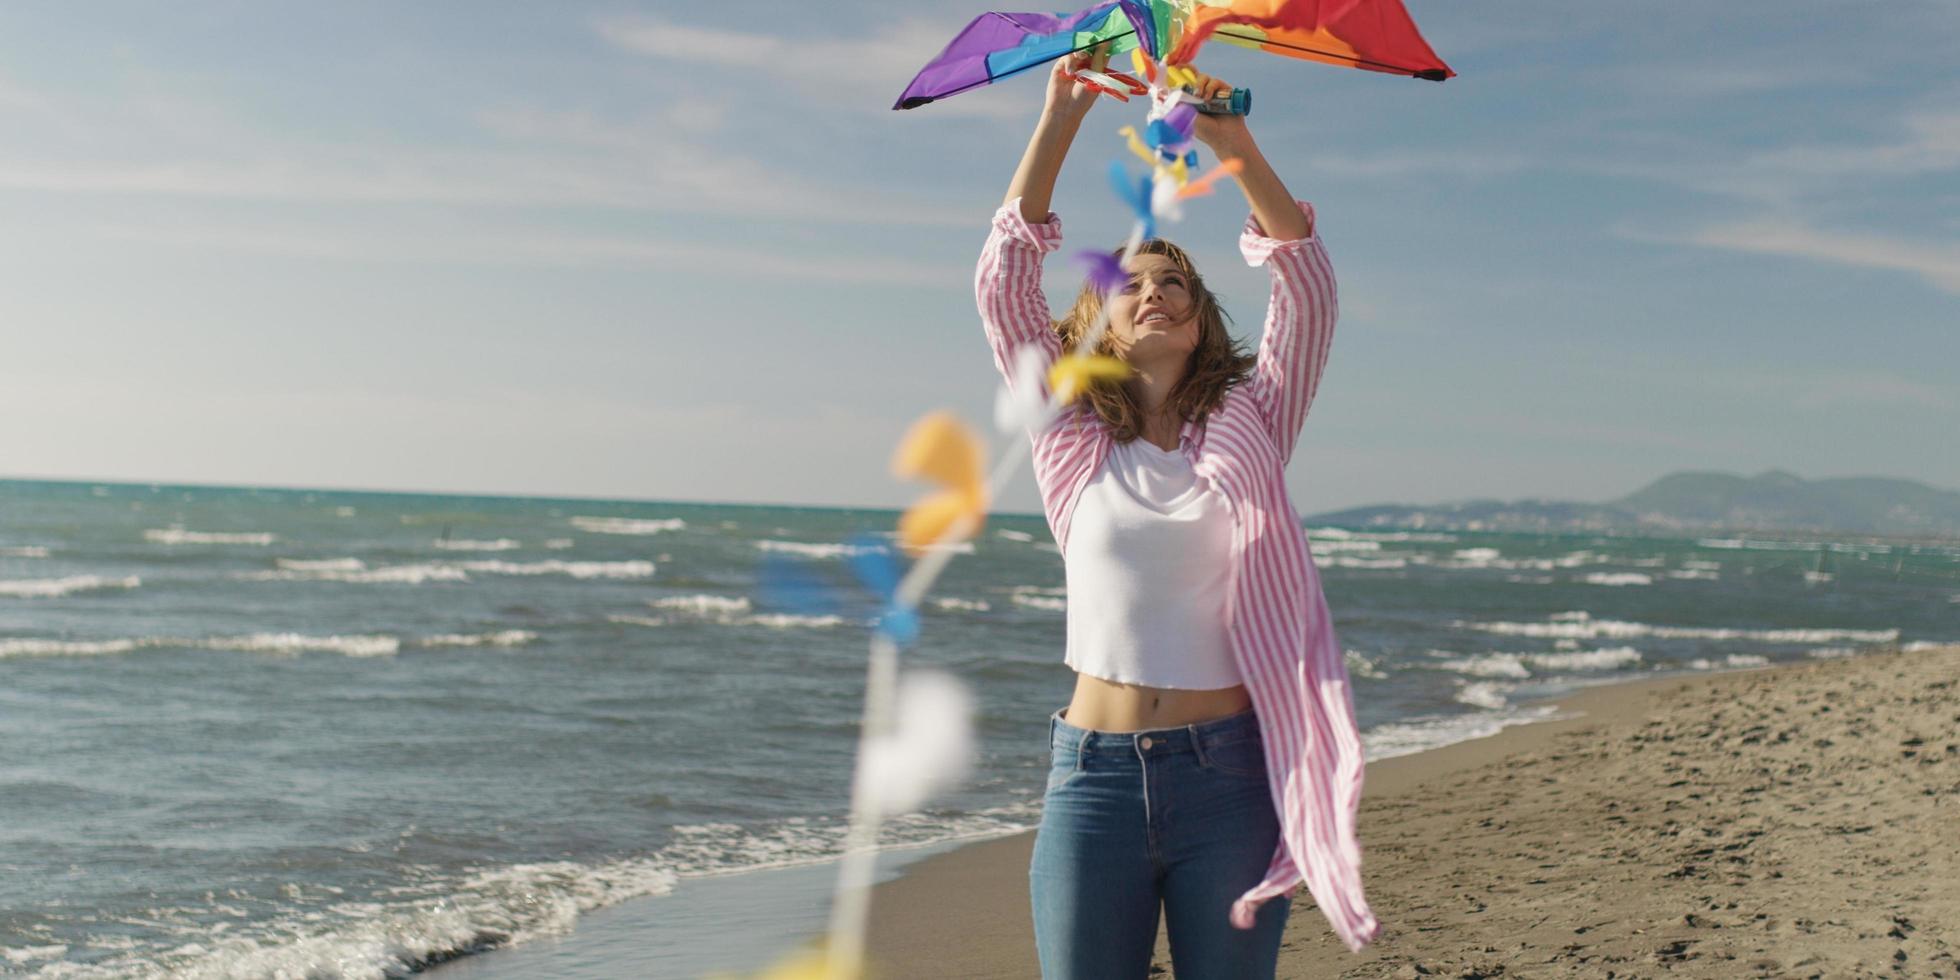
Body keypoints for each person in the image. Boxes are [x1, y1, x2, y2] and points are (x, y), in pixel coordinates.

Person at [976, 43, 1379, 979]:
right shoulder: (1070, 441)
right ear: (1098, 325)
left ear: (1199, 320)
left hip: (1228, 779)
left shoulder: (1256, 421)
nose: (1154, 290)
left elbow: (1307, 285)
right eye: (1132, 285)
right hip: (1094, 778)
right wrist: (1060, 116)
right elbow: (1002, 287)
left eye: (1175, 284)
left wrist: (1231, 139)